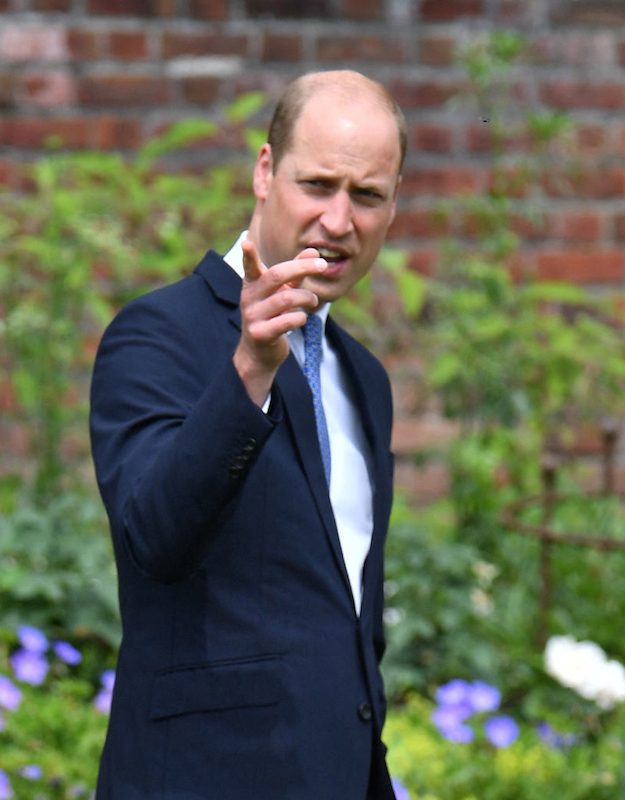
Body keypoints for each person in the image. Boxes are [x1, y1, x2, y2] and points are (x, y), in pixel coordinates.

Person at [88, 70, 405, 799]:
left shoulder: (366, 379)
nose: (338, 220)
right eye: (318, 184)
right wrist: (248, 373)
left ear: (393, 207)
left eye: (367, 196)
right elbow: (154, 540)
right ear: (265, 173)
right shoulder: (156, 336)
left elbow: (351, 629)